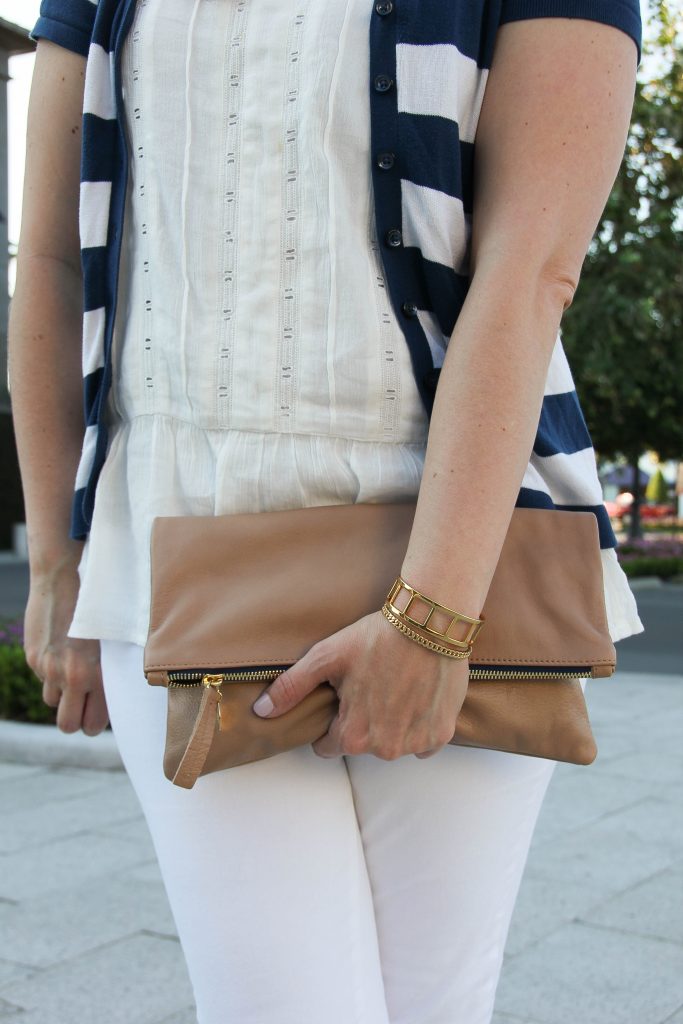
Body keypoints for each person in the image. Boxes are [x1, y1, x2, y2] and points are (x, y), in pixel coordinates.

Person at [10, 2, 644, 1022]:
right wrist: (56, 562)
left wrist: (429, 619)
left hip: (469, 551)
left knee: (436, 1006)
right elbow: (46, 255)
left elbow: (530, 267)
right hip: (176, 550)